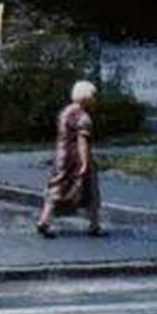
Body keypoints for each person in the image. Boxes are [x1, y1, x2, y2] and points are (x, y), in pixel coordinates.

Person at [36, 80, 104, 239]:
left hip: (61, 156)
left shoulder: (65, 112)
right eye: (94, 96)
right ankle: (95, 225)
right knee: (91, 190)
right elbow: (82, 141)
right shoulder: (84, 117)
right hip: (75, 157)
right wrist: (85, 162)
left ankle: (44, 221)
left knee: (57, 188)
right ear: (87, 97)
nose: (95, 100)